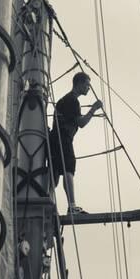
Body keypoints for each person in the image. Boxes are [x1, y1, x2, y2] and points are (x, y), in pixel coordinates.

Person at [49, 72, 102, 214]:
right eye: (87, 84)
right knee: (68, 168)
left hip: (54, 139)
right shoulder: (72, 100)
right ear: (79, 83)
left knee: (54, 174)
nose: (89, 88)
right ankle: (72, 206)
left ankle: (47, 202)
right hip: (63, 138)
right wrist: (94, 108)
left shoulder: (64, 100)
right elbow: (82, 123)